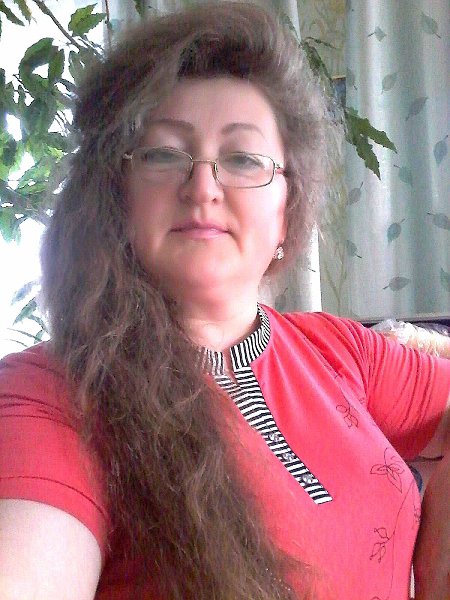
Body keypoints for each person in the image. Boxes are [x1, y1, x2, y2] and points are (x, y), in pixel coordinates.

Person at [0, 3, 448, 599]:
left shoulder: (339, 349)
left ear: (288, 210)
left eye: (243, 159)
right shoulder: (51, 394)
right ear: (118, 196)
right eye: (164, 154)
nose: (203, 187)